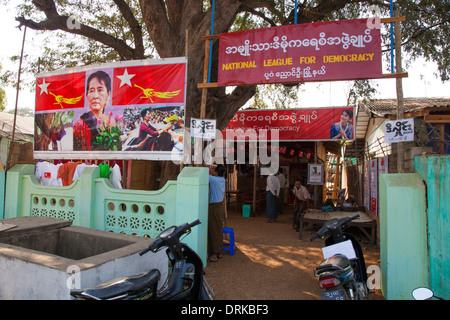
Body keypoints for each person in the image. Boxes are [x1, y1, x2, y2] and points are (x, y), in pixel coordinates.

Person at [73, 70, 114, 150]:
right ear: (87, 95)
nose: (95, 96)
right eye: (91, 91)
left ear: (108, 94)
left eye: (100, 90)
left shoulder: (109, 121)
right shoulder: (80, 124)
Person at [207, 165, 226, 262]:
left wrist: (205, 166)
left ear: (217, 173)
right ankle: (218, 251)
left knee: (213, 229)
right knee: (218, 228)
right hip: (219, 207)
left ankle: (213, 253)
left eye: (214, 171)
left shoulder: (214, 180)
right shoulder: (222, 180)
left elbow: (206, 172)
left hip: (214, 207)